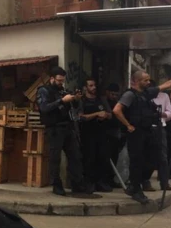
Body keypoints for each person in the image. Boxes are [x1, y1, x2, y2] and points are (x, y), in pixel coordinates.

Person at [112, 68, 171, 204]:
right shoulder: (130, 95)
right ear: (137, 81)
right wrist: (128, 125)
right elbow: (116, 110)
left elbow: (166, 85)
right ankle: (136, 189)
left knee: (150, 159)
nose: (149, 82)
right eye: (146, 80)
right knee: (137, 162)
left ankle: (135, 185)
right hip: (136, 133)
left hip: (147, 132)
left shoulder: (147, 93)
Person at [37, 66, 92, 196]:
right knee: (55, 158)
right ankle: (56, 185)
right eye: (58, 80)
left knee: (75, 156)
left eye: (62, 80)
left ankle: (77, 184)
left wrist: (76, 100)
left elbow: (73, 108)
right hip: (54, 128)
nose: (61, 83)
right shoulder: (43, 91)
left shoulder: (63, 91)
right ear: (51, 79)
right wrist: (61, 101)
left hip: (67, 127)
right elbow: (44, 108)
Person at [78, 78, 113, 192]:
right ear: (85, 87)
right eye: (91, 85)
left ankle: (101, 182)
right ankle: (89, 183)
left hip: (102, 133)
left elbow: (110, 114)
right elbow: (81, 117)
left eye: (94, 85)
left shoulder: (101, 99)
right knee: (89, 159)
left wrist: (105, 115)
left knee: (102, 157)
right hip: (87, 134)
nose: (93, 87)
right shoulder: (82, 101)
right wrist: (96, 114)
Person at [148, 80, 171, 192]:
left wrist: (162, 114)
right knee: (147, 157)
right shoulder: (144, 96)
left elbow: (170, 113)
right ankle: (145, 181)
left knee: (163, 157)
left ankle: (164, 183)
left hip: (160, 127)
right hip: (147, 127)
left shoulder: (164, 96)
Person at [103, 83, 125, 188]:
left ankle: (110, 180)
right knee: (106, 159)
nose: (114, 96)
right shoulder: (104, 102)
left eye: (116, 94)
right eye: (112, 94)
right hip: (106, 134)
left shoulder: (116, 102)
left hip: (116, 134)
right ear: (107, 92)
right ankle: (105, 180)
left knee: (114, 157)